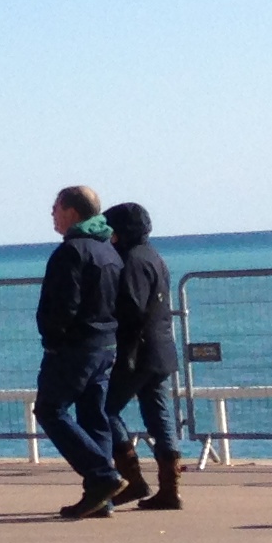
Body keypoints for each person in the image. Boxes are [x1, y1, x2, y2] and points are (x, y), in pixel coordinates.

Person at [35, 186, 125, 519]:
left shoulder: (71, 252)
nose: (52, 214)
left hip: (75, 347)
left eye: (56, 207)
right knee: (93, 417)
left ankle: (102, 476)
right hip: (105, 344)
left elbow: (62, 306)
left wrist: (53, 339)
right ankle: (101, 498)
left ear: (72, 212)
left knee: (50, 410)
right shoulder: (108, 250)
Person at [107, 200, 183, 512]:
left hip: (138, 350)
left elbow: (132, 309)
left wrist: (113, 334)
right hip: (161, 347)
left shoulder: (131, 260)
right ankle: (170, 488)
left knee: (104, 410)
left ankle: (133, 479)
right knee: (159, 415)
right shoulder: (154, 256)